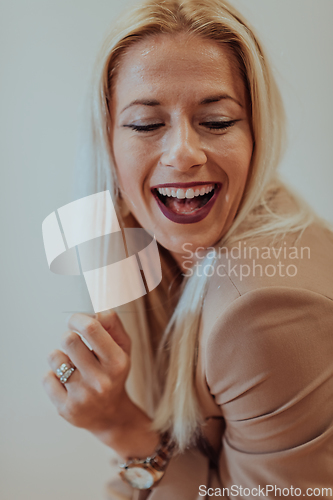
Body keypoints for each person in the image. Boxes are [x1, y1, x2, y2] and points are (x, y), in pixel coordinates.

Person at [42, 0, 333, 498]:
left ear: (256, 136)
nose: (183, 153)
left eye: (216, 122)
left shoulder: (260, 312)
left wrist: (119, 426)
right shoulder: (131, 233)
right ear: (108, 144)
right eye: (146, 125)